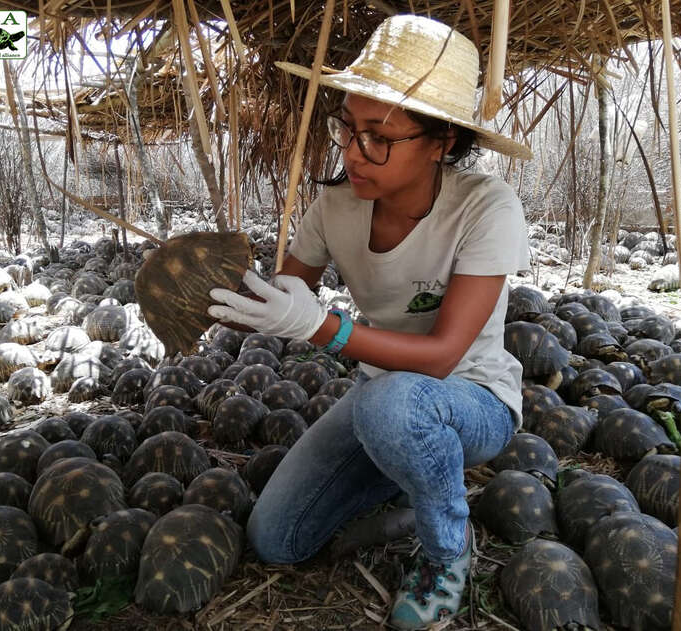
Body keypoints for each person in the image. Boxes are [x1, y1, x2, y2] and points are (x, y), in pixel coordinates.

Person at [207, 14, 531, 630]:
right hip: (381, 401)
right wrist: (221, 294)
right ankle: (420, 490)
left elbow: (441, 355)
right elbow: (288, 295)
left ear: (441, 142)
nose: (355, 152)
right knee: (278, 539)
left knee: (393, 407)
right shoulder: (334, 207)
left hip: (472, 398)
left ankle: (445, 551)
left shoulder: (486, 209)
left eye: (379, 137)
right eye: (348, 129)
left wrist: (322, 328)